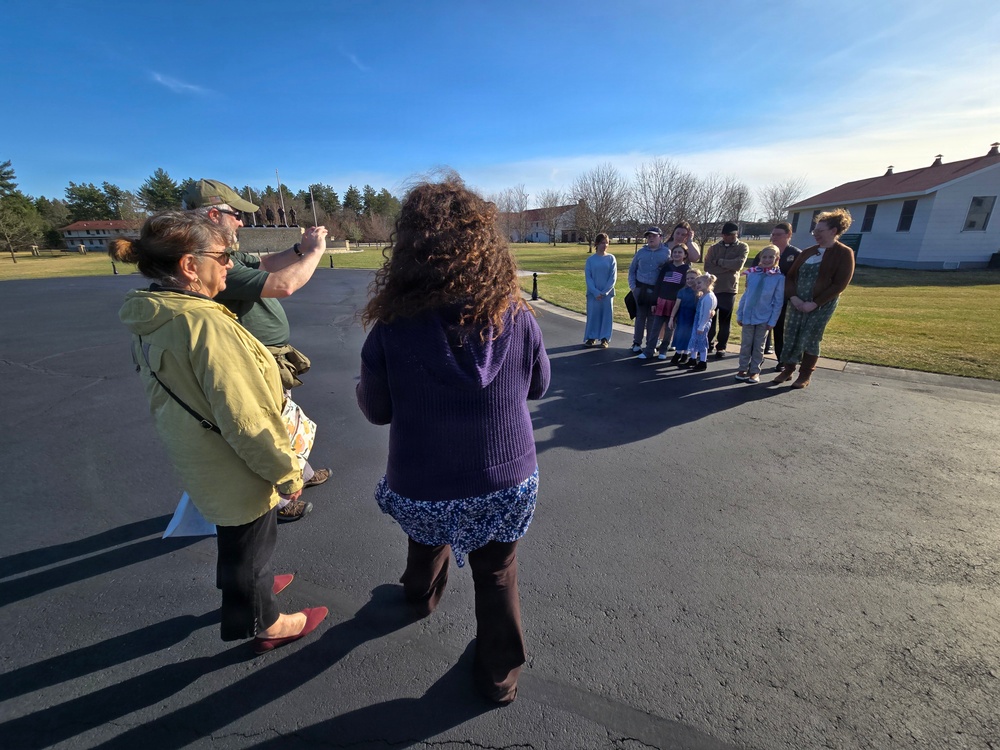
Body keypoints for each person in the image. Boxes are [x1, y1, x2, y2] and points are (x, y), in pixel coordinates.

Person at [356, 178, 551, 704]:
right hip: (506, 478)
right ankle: (499, 676)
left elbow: (377, 411)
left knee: (427, 534)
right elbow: (539, 385)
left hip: (423, 479)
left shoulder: (391, 330)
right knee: (497, 572)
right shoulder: (517, 316)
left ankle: (420, 595)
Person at [113, 211, 328, 653]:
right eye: (222, 256)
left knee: (236, 539)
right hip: (233, 460)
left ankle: (249, 589)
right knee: (251, 542)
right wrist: (287, 473)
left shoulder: (156, 312)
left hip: (198, 449)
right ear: (189, 266)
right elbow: (246, 419)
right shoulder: (205, 324)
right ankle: (264, 622)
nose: (230, 263)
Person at [181, 179, 331, 522]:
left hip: (269, 357)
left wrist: (298, 249)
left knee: (284, 418)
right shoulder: (209, 263)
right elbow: (283, 284)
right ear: (214, 215)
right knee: (266, 430)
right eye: (235, 215)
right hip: (254, 362)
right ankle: (277, 502)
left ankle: (301, 473)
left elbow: (263, 264)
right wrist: (315, 252)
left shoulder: (226, 255)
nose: (241, 221)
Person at [773, 208, 856, 389]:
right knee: (791, 334)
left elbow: (840, 284)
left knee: (811, 336)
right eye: (815, 231)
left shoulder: (844, 253)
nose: (816, 234)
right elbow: (791, 277)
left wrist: (815, 303)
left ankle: (805, 374)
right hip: (797, 302)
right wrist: (794, 297)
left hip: (821, 305)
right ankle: (788, 369)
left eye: (820, 231)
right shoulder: (808, 252)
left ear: (833, 231)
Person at [749, 222, 801, 367]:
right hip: (763, 300)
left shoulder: (796, 254)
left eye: (778, 234)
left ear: (788, 235)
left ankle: (782, 360)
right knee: (758, 329)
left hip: (783, 299)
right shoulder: (764, 253)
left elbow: (797, 278)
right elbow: (753, 272)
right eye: (773, 234)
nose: (774, 237)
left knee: (779, 330)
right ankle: (756, 359)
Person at [735, 245, 784, 384]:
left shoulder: (779, 278)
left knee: (759, 346)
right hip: (748, 316)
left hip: (764, 318)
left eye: (771, 257)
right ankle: (742, 368)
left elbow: (778, 301)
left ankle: (755, 371)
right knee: (746, 345)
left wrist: (772, 321)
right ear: (760, 258)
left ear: (777, 259)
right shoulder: (752, 274)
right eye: (764, 257)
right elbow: (746, 295)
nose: (767, 260)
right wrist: (740, 314)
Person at [703, 222, 748, 359]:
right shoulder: (714, 248)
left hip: (729, 289)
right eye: (727, 235)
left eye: (732, 235)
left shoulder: (742, 247)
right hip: (713, 289)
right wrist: (728, 267)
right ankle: (708, 344)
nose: (729, 237)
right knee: (710, 318)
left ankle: (721, 346)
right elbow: (708, 267)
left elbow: (738, 265)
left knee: (725, 321)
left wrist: (719, 262)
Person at [640, 243, 690, 360]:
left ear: (685, 255)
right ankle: (649, 350)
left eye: (680, 252)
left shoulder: (686, 269)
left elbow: (687, 287)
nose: (677, 254)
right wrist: (654, 302)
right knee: (655, 328)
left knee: (669, 328)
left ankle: (663, 350)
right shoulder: (666, 267)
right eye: (675, 252)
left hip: (675, 304)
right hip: (661, 301)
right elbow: (658, 285)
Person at [627, 227, 671, 354]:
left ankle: (650, 344)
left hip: (656, 290)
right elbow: (632, 270)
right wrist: (633, 287)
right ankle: (636, 343)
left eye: (654, 236)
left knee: (653, 318)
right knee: (640, 316)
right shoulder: (641, 252)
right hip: (640, 288)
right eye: (649, 236)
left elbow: (668, 272)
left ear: (660, 237)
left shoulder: (666, 253)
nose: (651, 238)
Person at [583, 232, 617, 348]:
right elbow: (588, 278)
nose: (605, 245)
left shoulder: (611, 258)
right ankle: (591, 337)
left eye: (607, 243)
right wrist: (595, 292)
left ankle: (604, 338)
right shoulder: (590, 260)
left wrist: (605, 292)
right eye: (602, 243)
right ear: (597, 244)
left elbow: (613, 277)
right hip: (593, 294)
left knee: (606, 316)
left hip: (607, 294)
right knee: (593, 315)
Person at [685, 273, 718, 372]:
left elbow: (707, 314)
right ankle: (693, 359)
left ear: (707, 283)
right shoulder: (703, 295)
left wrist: (702, 326)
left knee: (701, 341)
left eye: (699, 283)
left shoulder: (709, 297)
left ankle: (703, 362)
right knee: (695, 340)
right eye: (697, 283)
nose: (697, 285)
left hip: (702, 323)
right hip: (698, 321)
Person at [668, 269, 701, 367]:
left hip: (693, 317)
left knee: (690, 336)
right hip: (683, 316)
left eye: (692, 278)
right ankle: (678, 353)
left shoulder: (700, 293)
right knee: (680, 335)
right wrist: (671, 318)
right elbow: (676, 306)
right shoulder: (682, 291)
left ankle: (685, 354)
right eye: (688, 279)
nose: (690, 280)